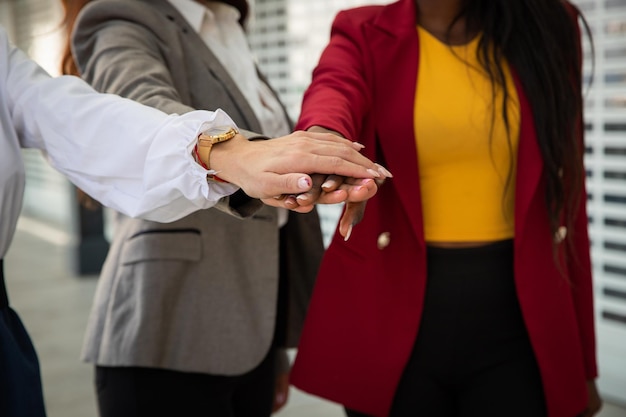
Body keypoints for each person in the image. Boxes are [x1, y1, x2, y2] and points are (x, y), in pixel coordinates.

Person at [0, 20, 387, 417]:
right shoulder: (120, 16)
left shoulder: (226, 28)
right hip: (168, 326)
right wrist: (234, 154)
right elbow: (141, 103)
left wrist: (274, 340)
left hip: (252, 324)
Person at [288, 1, 603, 417]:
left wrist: (582, 360)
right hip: (390, 305)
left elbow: (567, 197)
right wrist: (323, 142)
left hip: (520, 312)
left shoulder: (547, 22)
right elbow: (333, 89)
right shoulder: (361, 29)